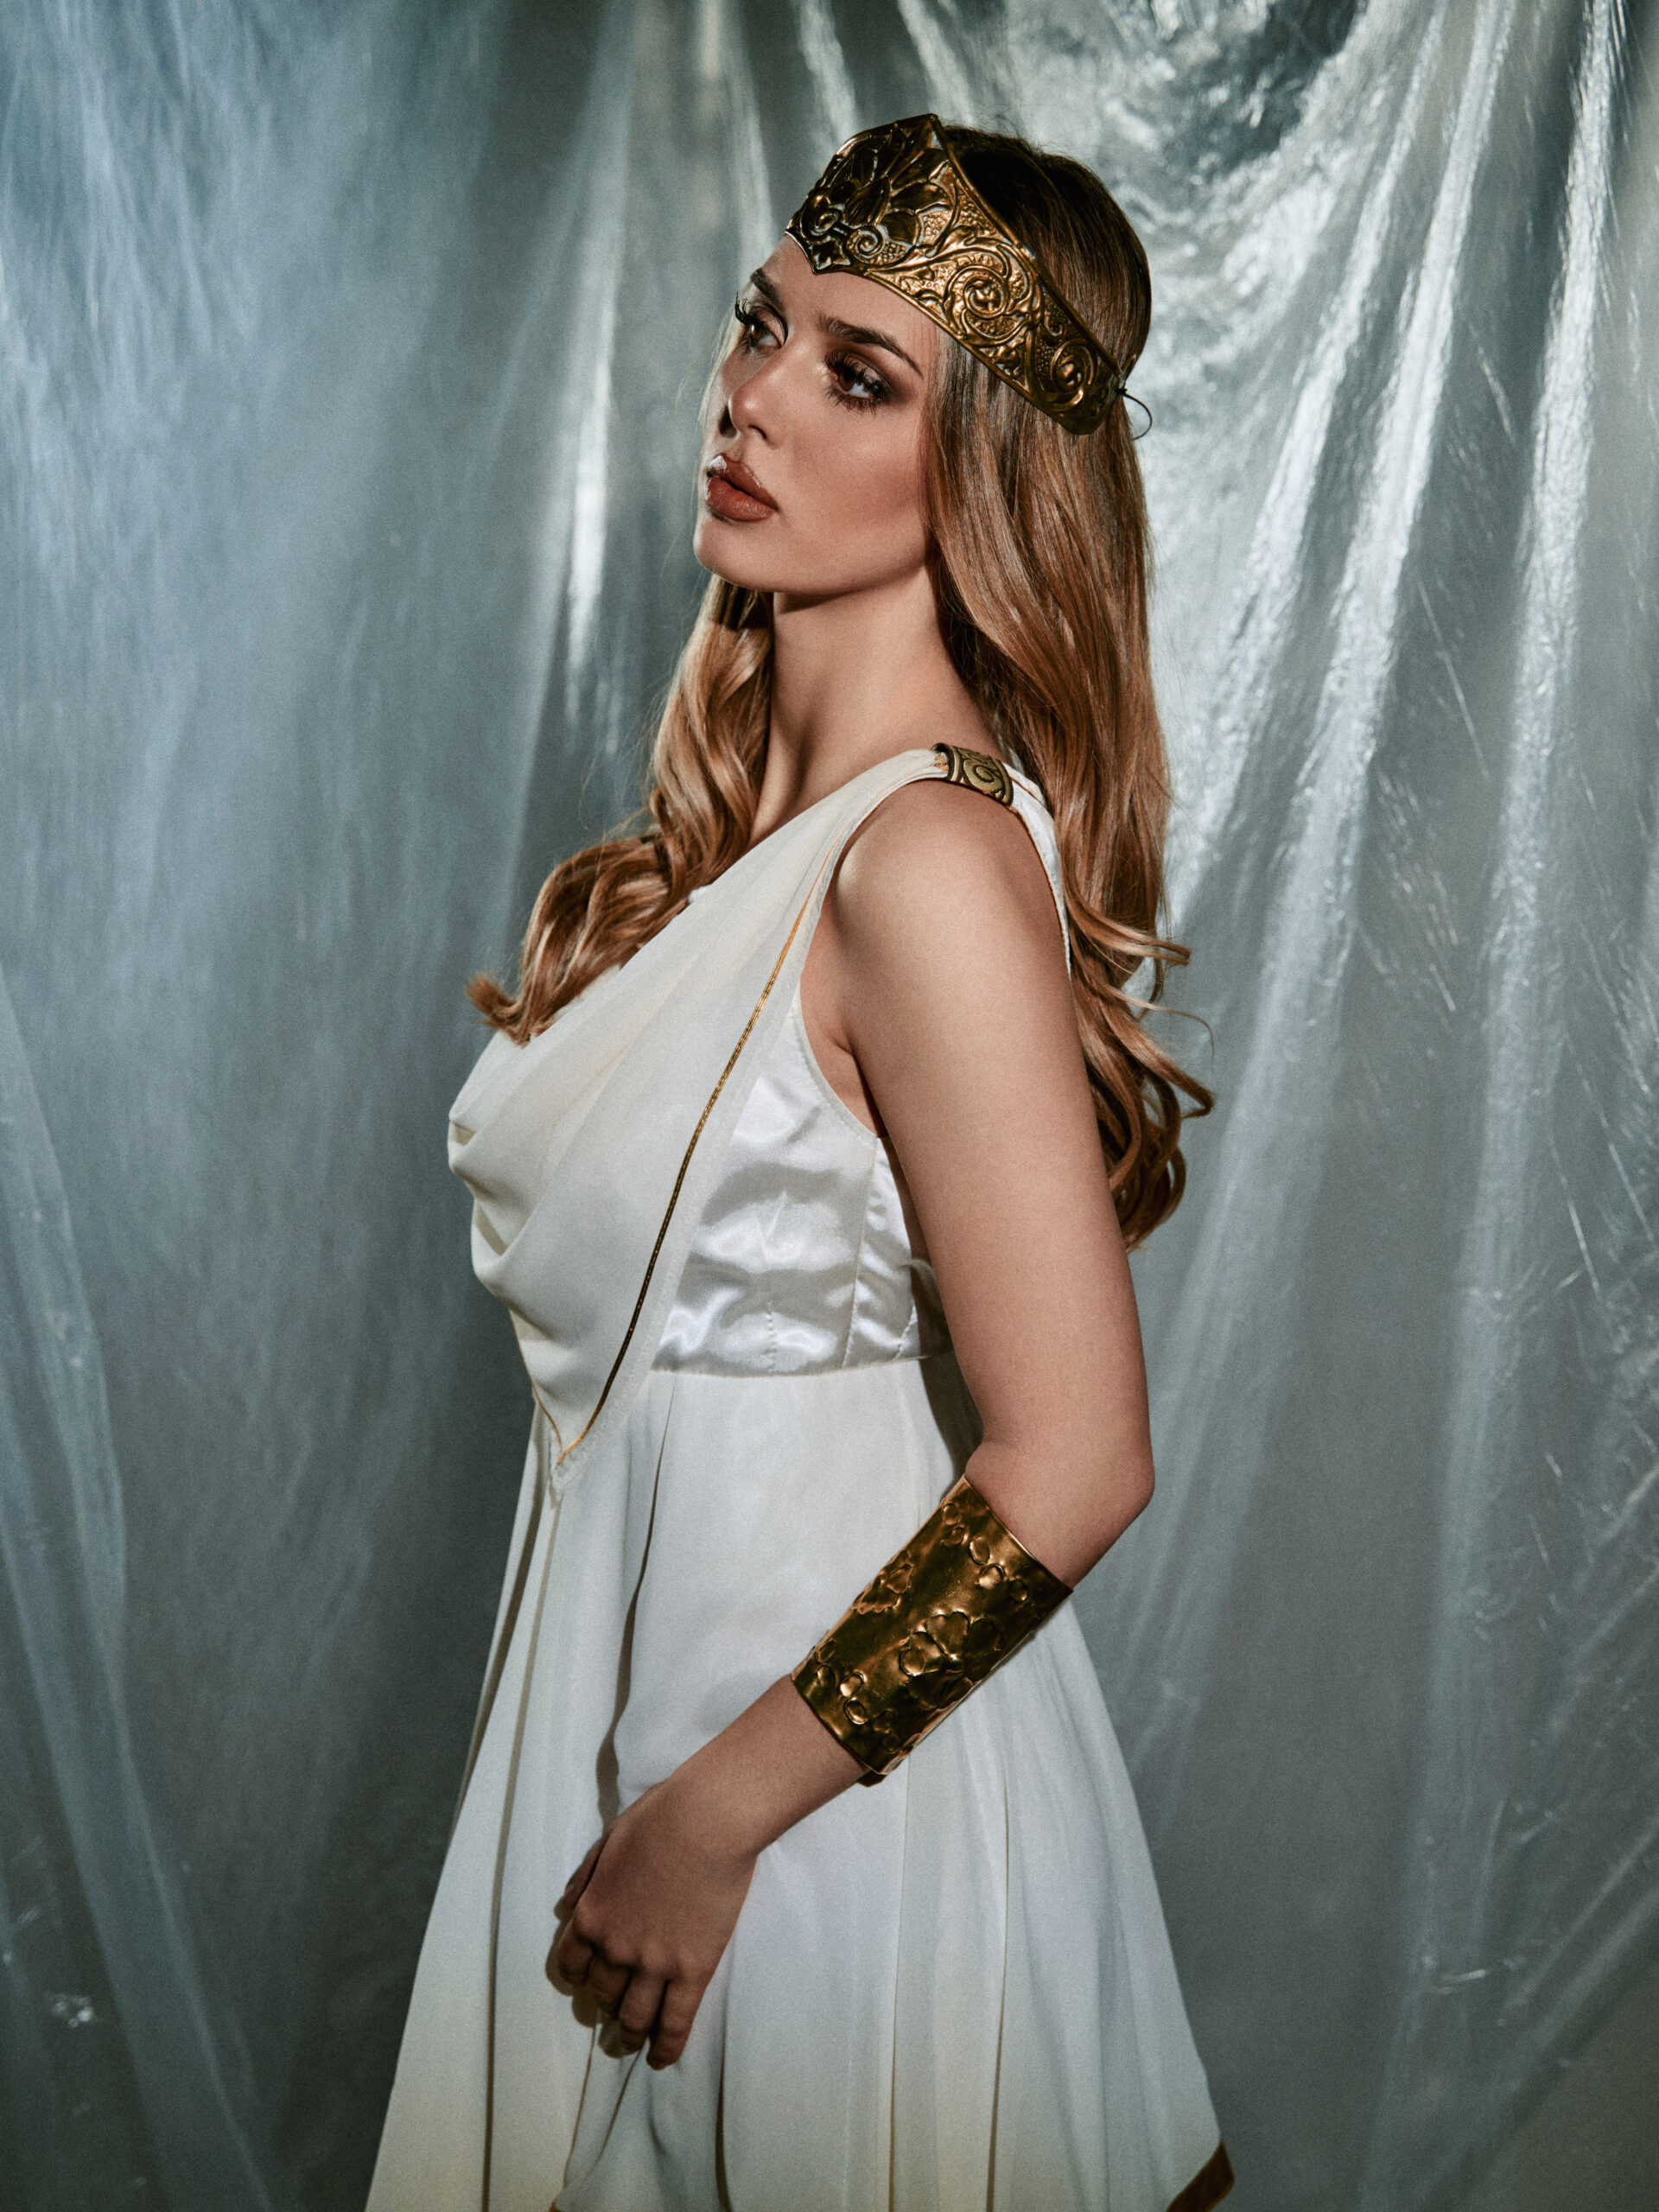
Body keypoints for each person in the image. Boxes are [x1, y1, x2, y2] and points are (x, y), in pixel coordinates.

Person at [367, 114, 1230, 2212]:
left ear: (988, 469)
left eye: (859, 373)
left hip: (802, 1806)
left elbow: (1078, 1452)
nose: (753, 396)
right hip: (651, 1725)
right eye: (762, 326)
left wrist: (715, 1813)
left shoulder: (922, 859)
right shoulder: (757, 850)